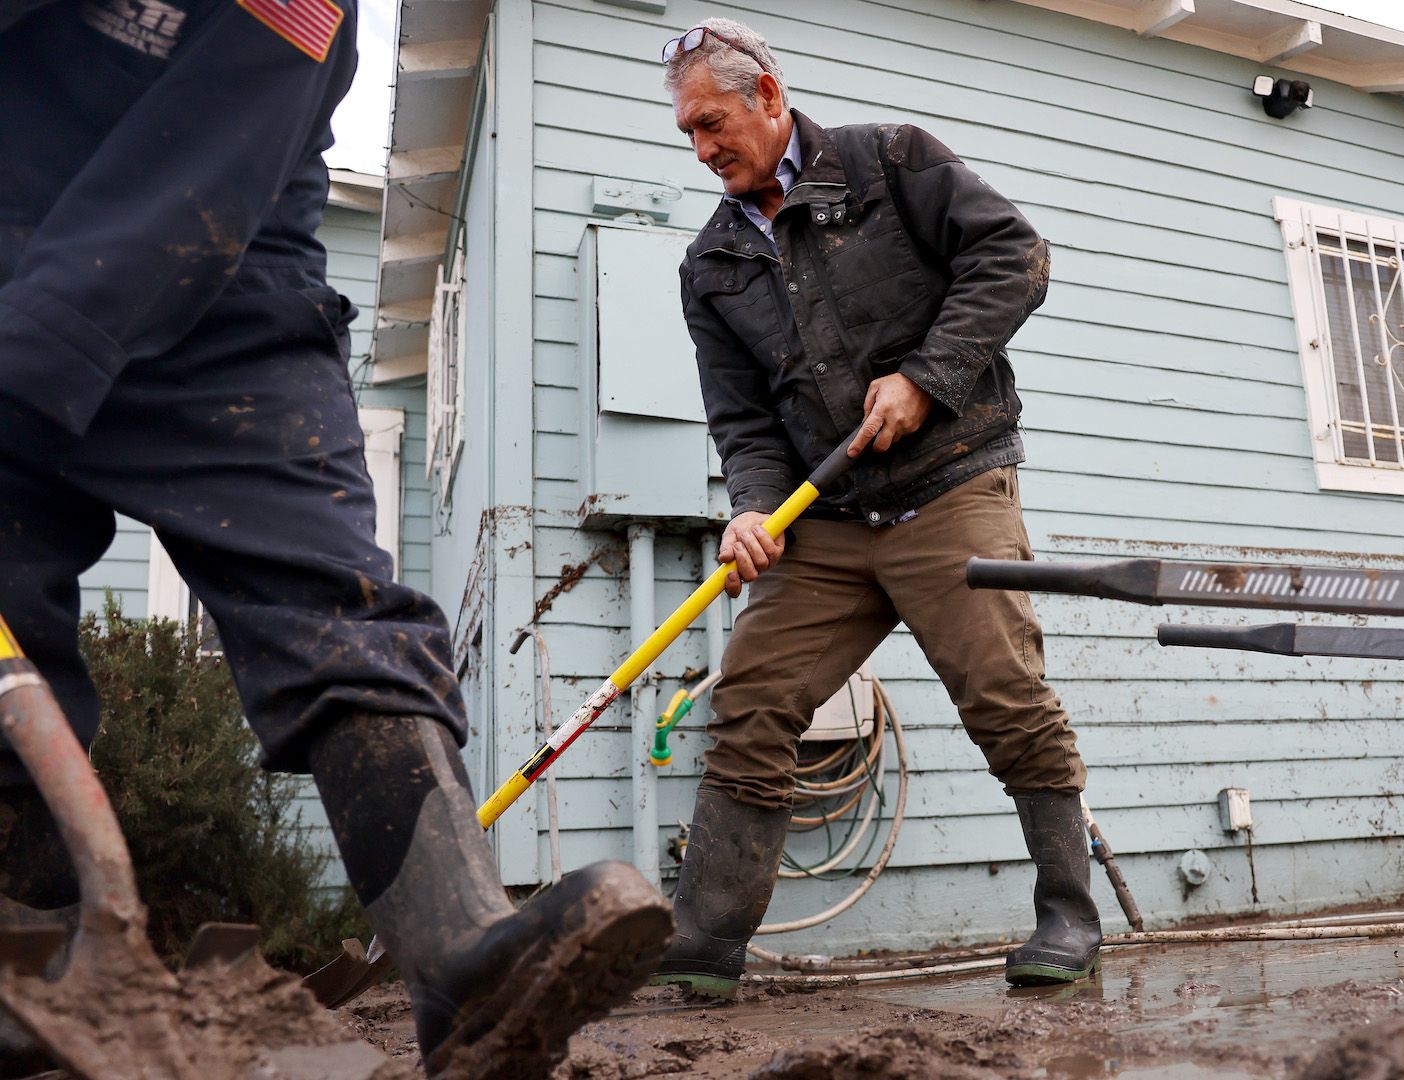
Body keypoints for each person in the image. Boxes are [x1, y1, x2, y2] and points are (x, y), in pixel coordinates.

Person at [0, 3, 668, 1075]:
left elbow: (222, 140)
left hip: (225, 278)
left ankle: (463, 955)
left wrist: (33, 356)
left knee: (338, 605)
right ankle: (23, 972)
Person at [652, 17, 1101, 1000]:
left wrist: (927, 380)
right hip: (828, 522)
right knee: (752, 705)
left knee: (1007, 701)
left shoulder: (890, 164)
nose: (702, 148)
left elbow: (1014, 256)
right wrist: (755, 510)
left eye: (714, 123)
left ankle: (1068, 911)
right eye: (687, 133)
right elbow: (743, 420)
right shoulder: (713, 265)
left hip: (950, 483)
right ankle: (706, 944)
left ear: (769, 97)